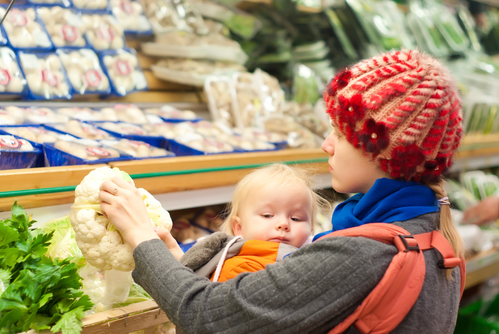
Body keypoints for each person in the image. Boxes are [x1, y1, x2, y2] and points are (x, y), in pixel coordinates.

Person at [99, 49, 465, 334]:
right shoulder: (431, 232)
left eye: (340, 133)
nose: (326, 144)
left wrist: (139, 235)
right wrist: (178, 265)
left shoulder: (361, 254)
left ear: (383, 150)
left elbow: (207, 318)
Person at [166, 163, 331, 283]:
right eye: (267, 215)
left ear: (311, 227)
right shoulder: (237, 269)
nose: (283, 224)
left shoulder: (319, 259)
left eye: (296, 218)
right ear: (239, 227)